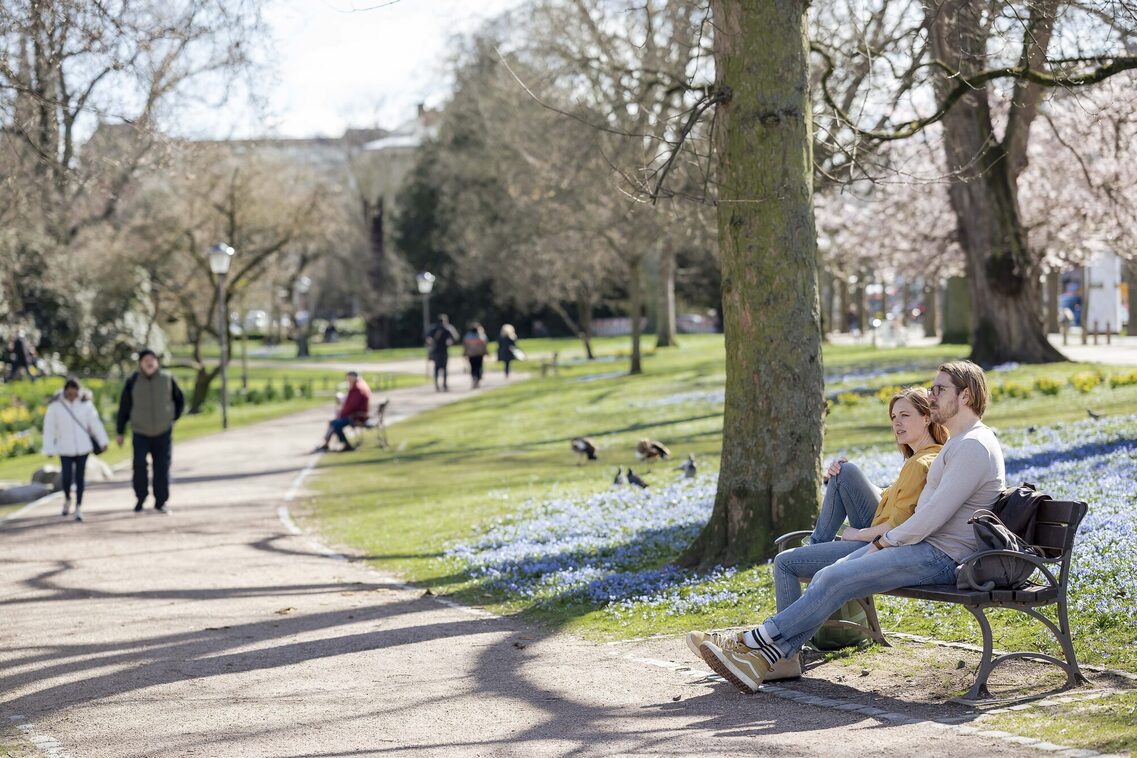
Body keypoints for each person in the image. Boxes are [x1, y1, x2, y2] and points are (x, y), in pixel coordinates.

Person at [691, 360, 1005, 693]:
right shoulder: (959, 443)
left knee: (838, 576)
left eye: (940, 390)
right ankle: (767, 655)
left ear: (966, 396)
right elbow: (923, 511)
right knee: (830, 574)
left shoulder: (973, 445)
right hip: (919, 547)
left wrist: (883, 542)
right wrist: (881, 542)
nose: (931, 396)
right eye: (932, 388)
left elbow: (932, 517)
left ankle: (748, 643)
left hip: (941, 556)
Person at [115, 349, 185, 514]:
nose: (149, 362)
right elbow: (124, 408)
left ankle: (161, 502)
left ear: (157, 362)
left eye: (152, 359)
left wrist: (171, 418)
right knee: (139, 465)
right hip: (140, 431)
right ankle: (141, 497)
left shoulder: (167, 379)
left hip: (163, 431)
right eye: (146, 360)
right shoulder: (133, 381)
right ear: (140, 363)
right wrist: (120, 431)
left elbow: (180, 400)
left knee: (162, 467)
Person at [42, 377, 110, 522]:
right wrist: (49, 447)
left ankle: (78, 507)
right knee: (66, 477)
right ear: (65, 392)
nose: (72, 396)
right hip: (65, 448)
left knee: (80, 478)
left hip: (83, 447)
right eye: (70, 394)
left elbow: (95, 423)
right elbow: (49, 428)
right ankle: (67, 498)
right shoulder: (56, 405)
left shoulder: (86, 404)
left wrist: (103, 441)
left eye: (75, 393)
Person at [314, 371, 371, 452]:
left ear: (353, 377)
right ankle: (326, 443)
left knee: (336, 424)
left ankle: (344, 444)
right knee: (334, 423)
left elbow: (352, 405)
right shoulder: (360, 385)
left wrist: (342, 414)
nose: (347, 381)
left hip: (357, 416)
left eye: (348, 378)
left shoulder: (358, 388)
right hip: (357, 414)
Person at [426, 315, 460, 392]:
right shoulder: (447, 328)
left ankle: (436, 384)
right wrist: (449, 342)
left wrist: (431, 344)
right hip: (444, 350)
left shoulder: (433, 328)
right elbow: (456, 337)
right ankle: (444, 384)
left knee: (436, 368)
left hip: (436, 351)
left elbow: (427, 337)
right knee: (444, 368)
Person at [462, 323, 489, 389]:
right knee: (479, 366)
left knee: (473, 367)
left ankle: (474, 378)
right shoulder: (482, 336)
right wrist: (486, 352)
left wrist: (465, 353)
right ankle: (478, 378)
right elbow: (485, 345)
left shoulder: (467, 336)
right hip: (480, 354)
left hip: (471, 355)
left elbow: (465, 346)